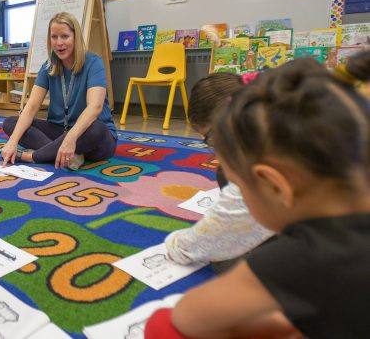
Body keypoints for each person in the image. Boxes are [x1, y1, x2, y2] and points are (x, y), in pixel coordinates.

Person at [145, 58, 370, 338]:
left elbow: (187, 316)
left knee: (161, 327)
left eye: (239, 187)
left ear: (275, 186)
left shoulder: (301, 254)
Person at [165, 72, 274, 273]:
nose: (215, 150)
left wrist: (174, 243)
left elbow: (201, 244)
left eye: (211, 139)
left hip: (326, 260)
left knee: (225, 259)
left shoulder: (252, 168)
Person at [0, 12, 117, 170]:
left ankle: (34, 157)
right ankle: (69, 156)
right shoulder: (48, 67)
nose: (59, 43)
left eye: (65, 36)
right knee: (11, 123)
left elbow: (94, 108)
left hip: (89, 136)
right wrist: (12, 141)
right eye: (54, 37)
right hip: (60, 130)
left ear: (76, 37)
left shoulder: (94, 63)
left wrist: (70, 139)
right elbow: (32, 107)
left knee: (97, 128)